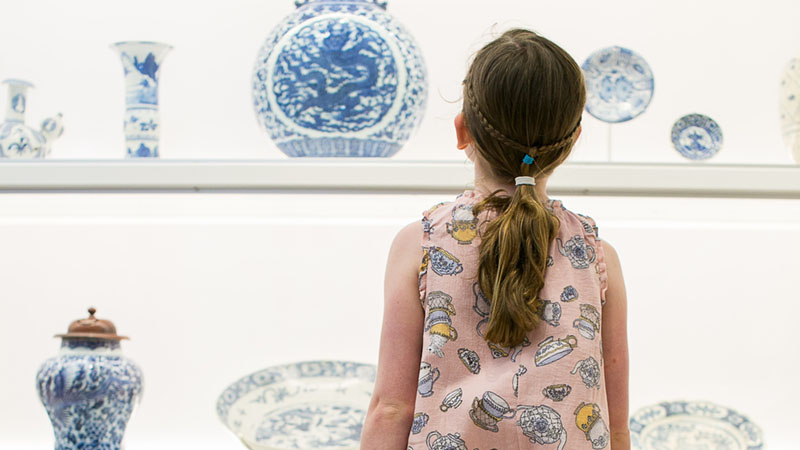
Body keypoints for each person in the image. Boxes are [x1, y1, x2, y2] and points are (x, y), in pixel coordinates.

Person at [361, 28, 630, 450]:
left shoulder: (422, 245)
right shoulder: (597, 258)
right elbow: (613, 425)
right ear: (572, 141)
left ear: (462, 131)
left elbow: (390, 409)